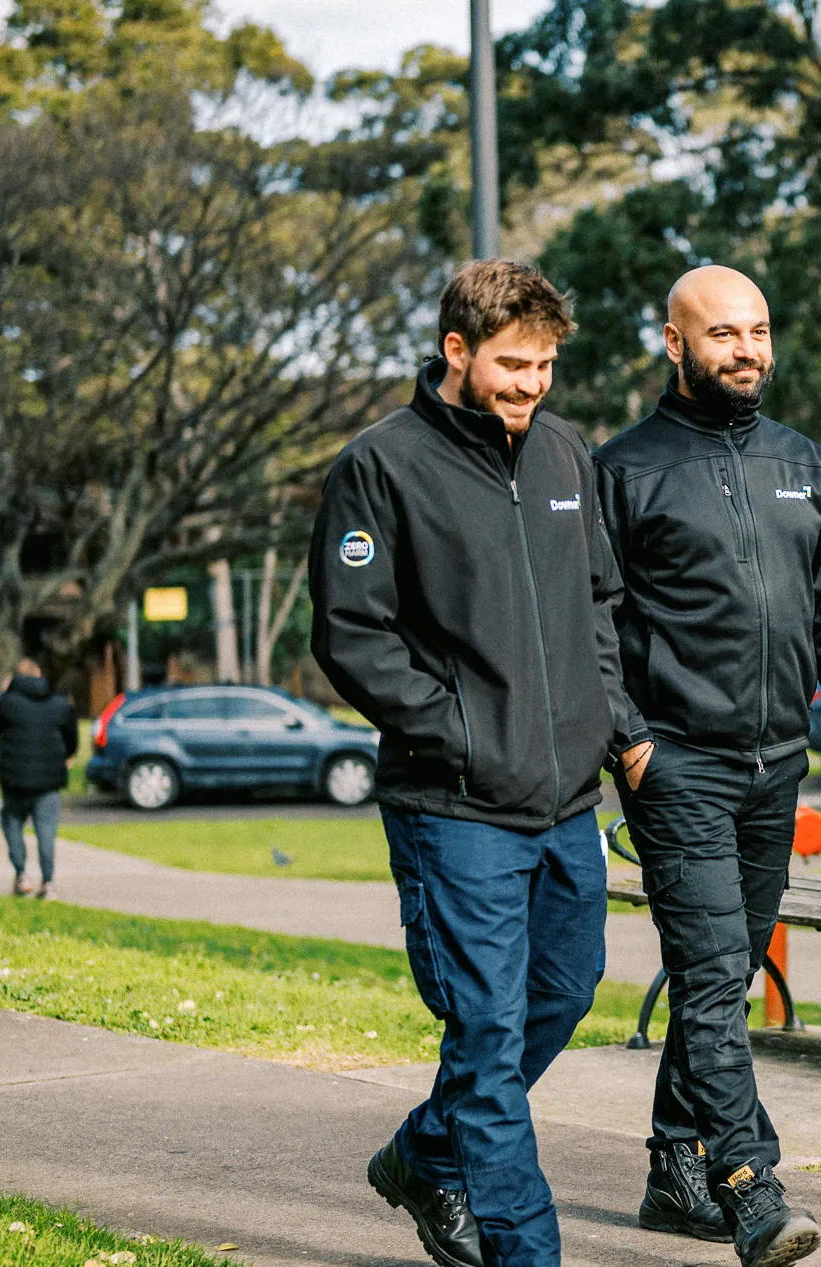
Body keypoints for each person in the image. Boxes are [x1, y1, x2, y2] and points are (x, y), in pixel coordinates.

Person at [310, 260, 650, 1267]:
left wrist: (606, 723)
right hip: (451, 803)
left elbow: (598, 604)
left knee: (568, 986)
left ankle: (423, 1151)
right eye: (511, 363)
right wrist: (457, 730)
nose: (529, 383)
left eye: (543, 364)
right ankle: (524, 1252)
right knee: (490, 1039)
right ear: (455, 350)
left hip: (563, 803)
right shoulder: (380, 465)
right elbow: (353, 636)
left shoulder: (562, 455)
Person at [594, 265, 821, 1267]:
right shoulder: (624, 469)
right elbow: (588, 622)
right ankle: (744, 1182)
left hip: (776, 766)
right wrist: (631, 742)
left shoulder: (800, 461)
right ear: (671, 343)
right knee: (716, 976)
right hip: (676, 765)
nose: (746, 350)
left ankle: (671, 1168)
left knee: (723, 968)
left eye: (758, 330)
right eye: (722, 333)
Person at [0, 657, 77, 899]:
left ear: (13, 678)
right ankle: (48, 883)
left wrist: (4, 693)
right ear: (39, 675)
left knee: (12, 824)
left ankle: (22, 875)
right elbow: (71, 737)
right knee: (46, 833)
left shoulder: (7, 703)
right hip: (48, 782)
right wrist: (68, 755)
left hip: (16, 782)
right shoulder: (59, 704)